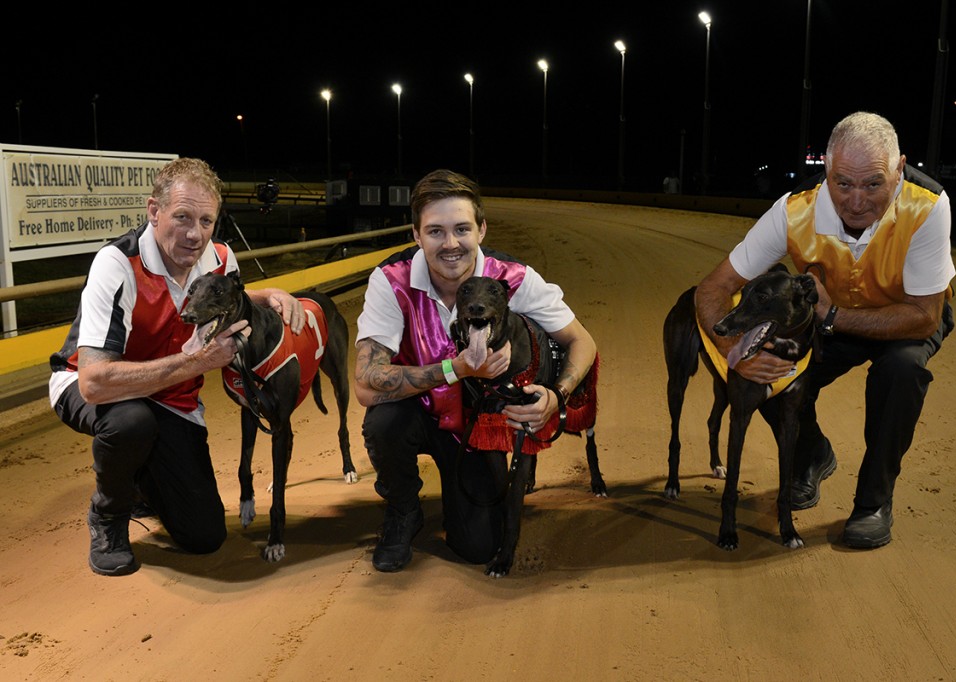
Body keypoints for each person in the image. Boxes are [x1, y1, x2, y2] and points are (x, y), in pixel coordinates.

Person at [695, 112, 955, 549]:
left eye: (873, 184)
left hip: (903, 317)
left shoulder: (927, 204)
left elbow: (926, 316)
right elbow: (713, 289)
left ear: (899, 169)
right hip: (828, 319)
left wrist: (833, 317)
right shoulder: (793, 210)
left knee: (902, 371)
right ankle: (812, 455)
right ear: (826, 174)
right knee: (768, 370)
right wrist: (735, 350)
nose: (856, 201)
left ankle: (873, 503)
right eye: (843, 184)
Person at [49, 158, 306, 576]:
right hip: (91, 386)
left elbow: (229, 298)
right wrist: (196, 360)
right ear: (154, 211)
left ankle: (144, 481)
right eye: (182, 217)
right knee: (130, 422)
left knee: (204, 537)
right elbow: (94, 383)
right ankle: (108, 515)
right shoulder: (115, 265)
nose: (195, 234)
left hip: (171, 399)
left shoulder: (221, 259)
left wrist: (267, 293)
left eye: (206, 221)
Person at [355, 169, 597, 572]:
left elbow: (582, 342)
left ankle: (461, 499)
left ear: (481, 229)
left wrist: (556, 397)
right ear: (416, 235)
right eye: (435, 231)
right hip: (415, 411)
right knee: (384, 421)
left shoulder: (513, 278)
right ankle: (403, 511)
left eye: (462, 229)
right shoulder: (391, 279)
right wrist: (458, 368)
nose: (451, 244)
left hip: (476, 427)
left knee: (480, 546)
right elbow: (365, 385)